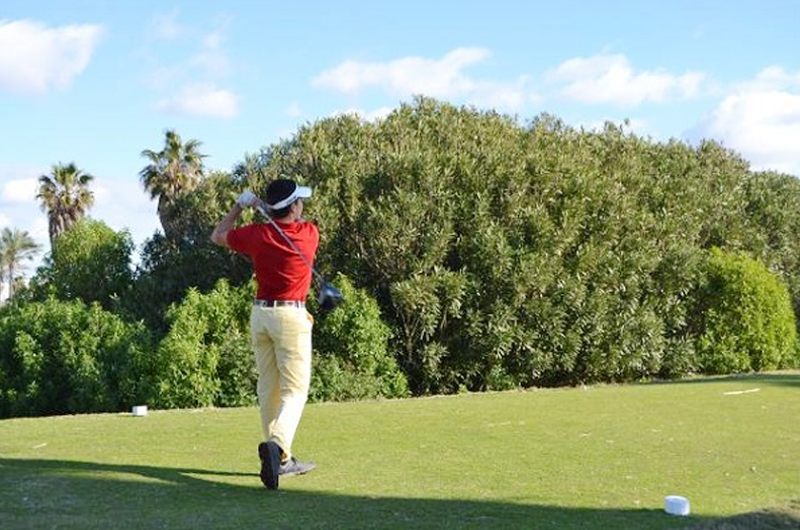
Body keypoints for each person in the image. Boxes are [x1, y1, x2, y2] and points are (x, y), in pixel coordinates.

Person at [211, 178, 319, 490]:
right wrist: (265, 208)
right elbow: (287, 222)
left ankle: (281, 461)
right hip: (291, 316)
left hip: (261, 315)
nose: (302, 206)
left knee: (268, 387)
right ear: (294, 207)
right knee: (294, 391)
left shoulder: (257, 235)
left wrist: (241, 206)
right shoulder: (309, 234)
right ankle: (278, 447)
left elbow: (218, 235)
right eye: (300, 201)